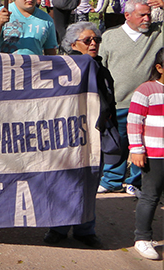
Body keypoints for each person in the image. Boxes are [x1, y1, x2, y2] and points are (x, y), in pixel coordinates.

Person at [42, 21, 117, 249]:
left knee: (89, 182)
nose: (93, 43)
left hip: (95, 135)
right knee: (64, 181)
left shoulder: (100, 67)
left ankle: (85, 230)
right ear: (73, 44)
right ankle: (59, 228)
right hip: (68, 135)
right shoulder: (64, 66)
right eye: (88, 40)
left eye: (96, 40)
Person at [99, 0, 164, 194]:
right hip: (119, 102)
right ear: (127, 16)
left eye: (148, 14)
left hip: (147, 103)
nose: (147, 19)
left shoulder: (157, 34)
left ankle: (135, 182)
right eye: (141, 15)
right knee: (117, 143)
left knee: (142, 144)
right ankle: (111, 180)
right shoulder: (110, 37)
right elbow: (101, 67)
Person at [128, 47, 164, 260]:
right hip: (154, 154)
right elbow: (134, 122)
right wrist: (137, 150)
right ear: (159, 68)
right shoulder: (147, 90)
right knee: (151, 196)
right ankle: (142, 238)